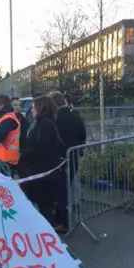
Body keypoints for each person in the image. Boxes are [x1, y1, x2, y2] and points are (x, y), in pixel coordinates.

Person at [18, 95, 64, 227]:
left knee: (44, 205)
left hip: (43, 172)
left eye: (33, 107)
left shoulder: (45, 125)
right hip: (40, 171)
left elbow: (39, 148)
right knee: (43, 204)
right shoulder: (41, 123)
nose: (31, 110)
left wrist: (22, 155)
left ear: (40, 108)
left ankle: (47, 233)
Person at [51, 91, 87, 231]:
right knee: (67, 187)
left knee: (60, 192)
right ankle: (65, 220)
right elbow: (83, 135)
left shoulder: (54, 120)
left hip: (59, 160)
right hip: (73, 157)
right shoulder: (76, 117)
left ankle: (62, 221)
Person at [0, 94, 21, 177]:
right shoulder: (2, 117)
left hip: (7, 159)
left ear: (2, 105)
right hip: (1, 158)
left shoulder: (8, 119)